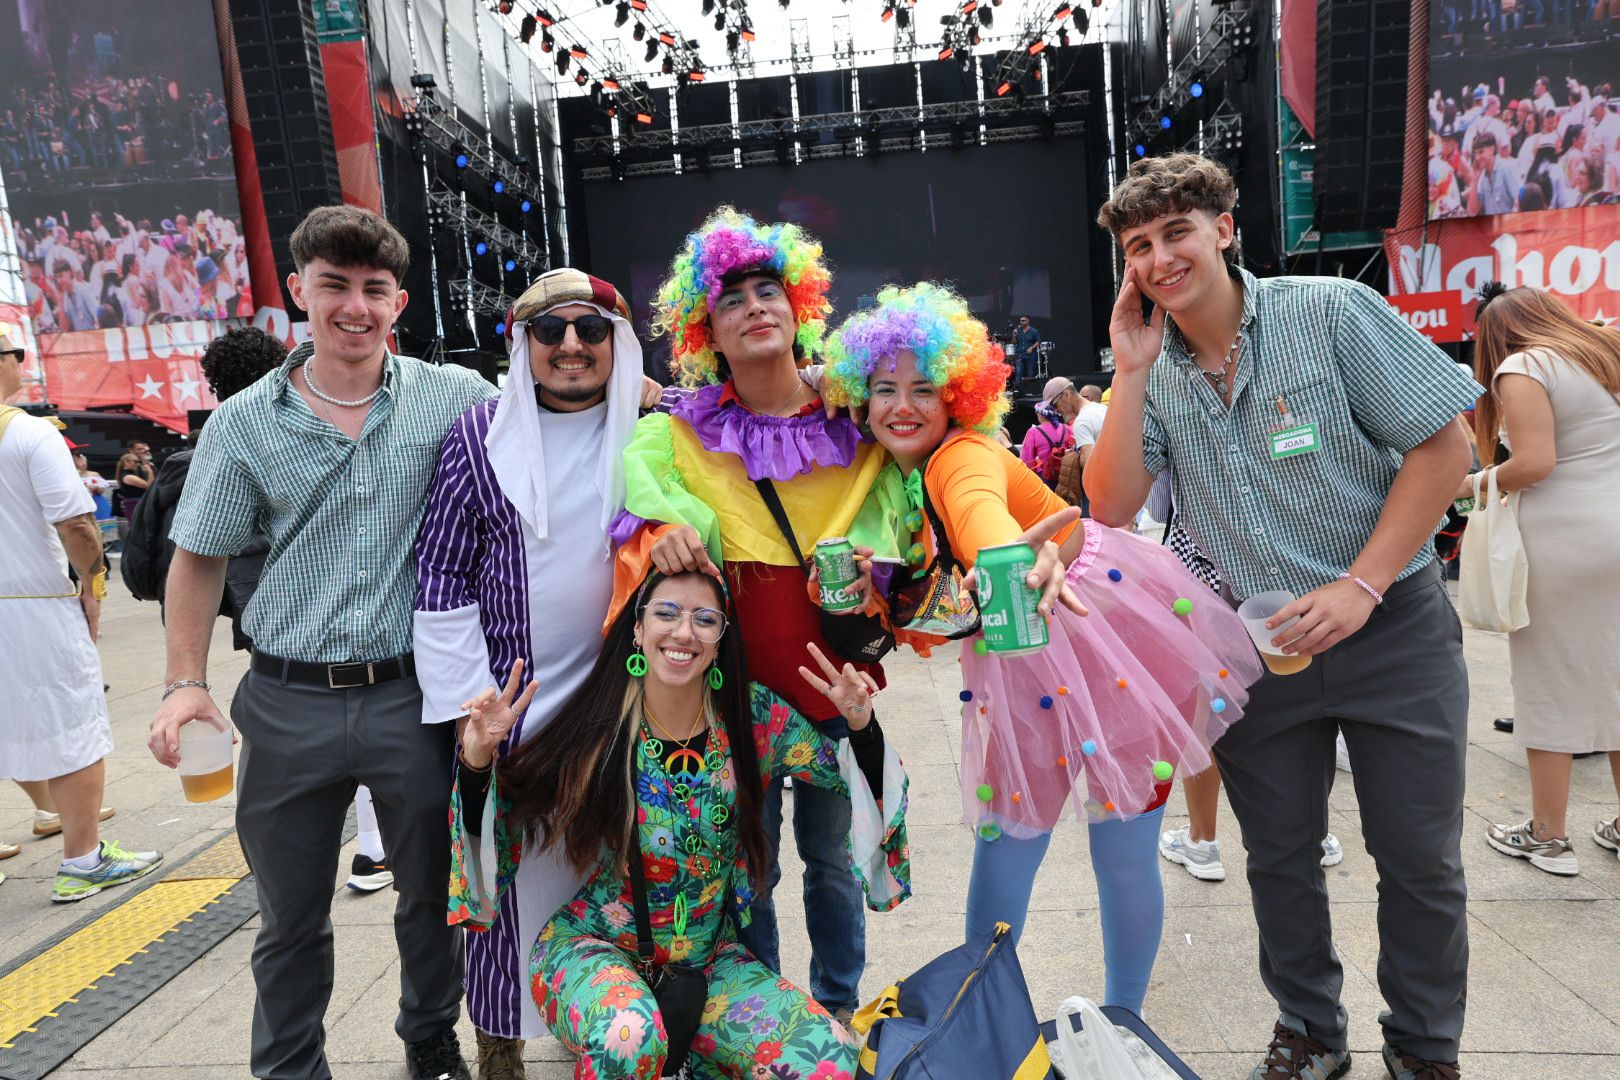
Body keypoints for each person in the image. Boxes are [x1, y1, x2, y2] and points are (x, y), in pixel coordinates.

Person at [1086, 153, 1481, 1080]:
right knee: (1279, 860)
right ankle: (1310, 1031)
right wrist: (1131, 374)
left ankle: (1424, 1051)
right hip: (1256, 652)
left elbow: (1445, 446)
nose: (1158, 259)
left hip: (1393, 629)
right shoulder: (1157, 369)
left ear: (1225, 228)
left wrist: (1362, 586)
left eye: (1175, 232)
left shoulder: (1329, 311)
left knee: (1419, 859)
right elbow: (1109, 505)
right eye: (1140, 247)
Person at [820, 282, 1263, 1015]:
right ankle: (1005, 1012)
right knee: (1014, 842)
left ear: (958, 396)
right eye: (884, 389)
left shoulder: (954, 459)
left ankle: (1067, 1018)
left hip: (1102, 638)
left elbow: (982, 520)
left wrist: (1016, 563)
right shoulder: (897, 479)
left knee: (1091, 846)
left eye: (924, 388)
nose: (902, 405)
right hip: (1023, 646)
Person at [149, 205, 497, 1080]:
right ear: (297, 291)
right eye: (333, 285)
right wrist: (182, 682)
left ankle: (430, 1041)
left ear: (399, 301)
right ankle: (292, 1068)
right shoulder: (242, 421)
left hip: (416, 695)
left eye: (373, 289)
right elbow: (198, 559)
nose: (354, 306)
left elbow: (552, 442)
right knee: (290, 915)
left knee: (433, 898)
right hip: (287, 698)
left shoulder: (457, 398)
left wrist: (648, 398)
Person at [610, 206, 904, 1023]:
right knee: (749, 867)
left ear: (798, 304)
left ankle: (837, 1010)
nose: (753, 308)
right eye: (730, 299)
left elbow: (908, 491)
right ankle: (766, 1011)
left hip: (836, 689)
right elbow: (641, 497)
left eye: (767, 289)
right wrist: (668, 527)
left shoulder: (854, 412)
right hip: (734, 697)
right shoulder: (680, 428)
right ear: (708, 330)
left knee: (836, 864)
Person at [449, 569, 909, 1078]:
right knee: (630, 1038)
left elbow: (846, 778)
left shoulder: (752, 718)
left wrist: (861, 725)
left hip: (708, 962)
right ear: (638, 629)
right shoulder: (600, 724)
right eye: (666, 613)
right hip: (594, 950)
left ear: (720, 639)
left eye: (704, 619)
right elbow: (505, 821)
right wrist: (475, 762)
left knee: (829, 1062)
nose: (683, 632)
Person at [414, 268, 648, 1078]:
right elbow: (440, 572)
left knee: (629, 873)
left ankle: (624, 1037)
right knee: (500, 887)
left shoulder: (655, 430)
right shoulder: (480, 436)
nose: (573, 346)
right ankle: (502, 1050)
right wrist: (470, 706)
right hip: (511, 714)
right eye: (551, 332)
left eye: (592, 330)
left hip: (627, 708)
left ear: (619, 344)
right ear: (524, 344)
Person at [0, 332, 162, 899]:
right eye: (14, 354)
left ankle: (60, 830)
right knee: (73, 726)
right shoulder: (28, 434)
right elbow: (75, 523)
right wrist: (93, 584)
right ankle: (84, 860)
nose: (20, 362)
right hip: (31, 605)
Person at [1466, 284, 1620, 876]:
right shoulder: (1603, 356)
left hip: (1566, 543)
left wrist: (1469, 486)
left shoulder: (1523, 364)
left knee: (1549, 680)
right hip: (1612, 535)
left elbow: (1534, 463)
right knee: (1613, 680)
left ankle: (1549, 836)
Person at [1020, 377, 1078, 487]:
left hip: (1044, 480)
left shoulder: (1033, 432)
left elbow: (1027, 461)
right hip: (1065, 478)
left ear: (1041, 415)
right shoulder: (1067, 429)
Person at [114, 438, 154, 524]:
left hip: (138, 502)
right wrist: (150, 471)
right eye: (135, 462)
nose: (137, 464)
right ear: (126, 462)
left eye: (138, 462)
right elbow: (148, 485)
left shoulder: (130, 474)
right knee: (138, 528)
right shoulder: (128, 477)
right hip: (134, 504)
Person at [1013, 314, 1042, 381]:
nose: (1021, 322)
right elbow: (1014, 342)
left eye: (1023, 321)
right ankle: (1018, 389)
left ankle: (1031, 388)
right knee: (1019, 372)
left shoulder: (1034, 331)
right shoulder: (1018, 330)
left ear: (1028, 321)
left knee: (1030, 372)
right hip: (1020, 354)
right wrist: (1014, 336)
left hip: (1030, 355)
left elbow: (1038, 341)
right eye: (1020, 321)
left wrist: (1032, 348)